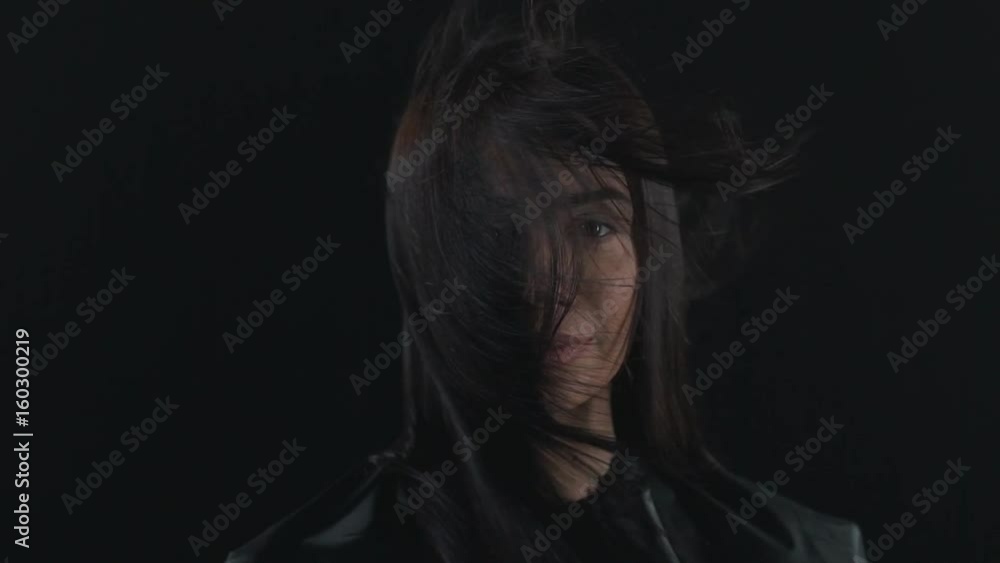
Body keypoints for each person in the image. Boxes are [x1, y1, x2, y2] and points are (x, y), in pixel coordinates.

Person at [226, 1, 863, 561]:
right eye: (500, 234)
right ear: (430, 263)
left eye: (593, 228)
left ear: (647, 252)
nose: (548, 286)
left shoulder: (797, 554)